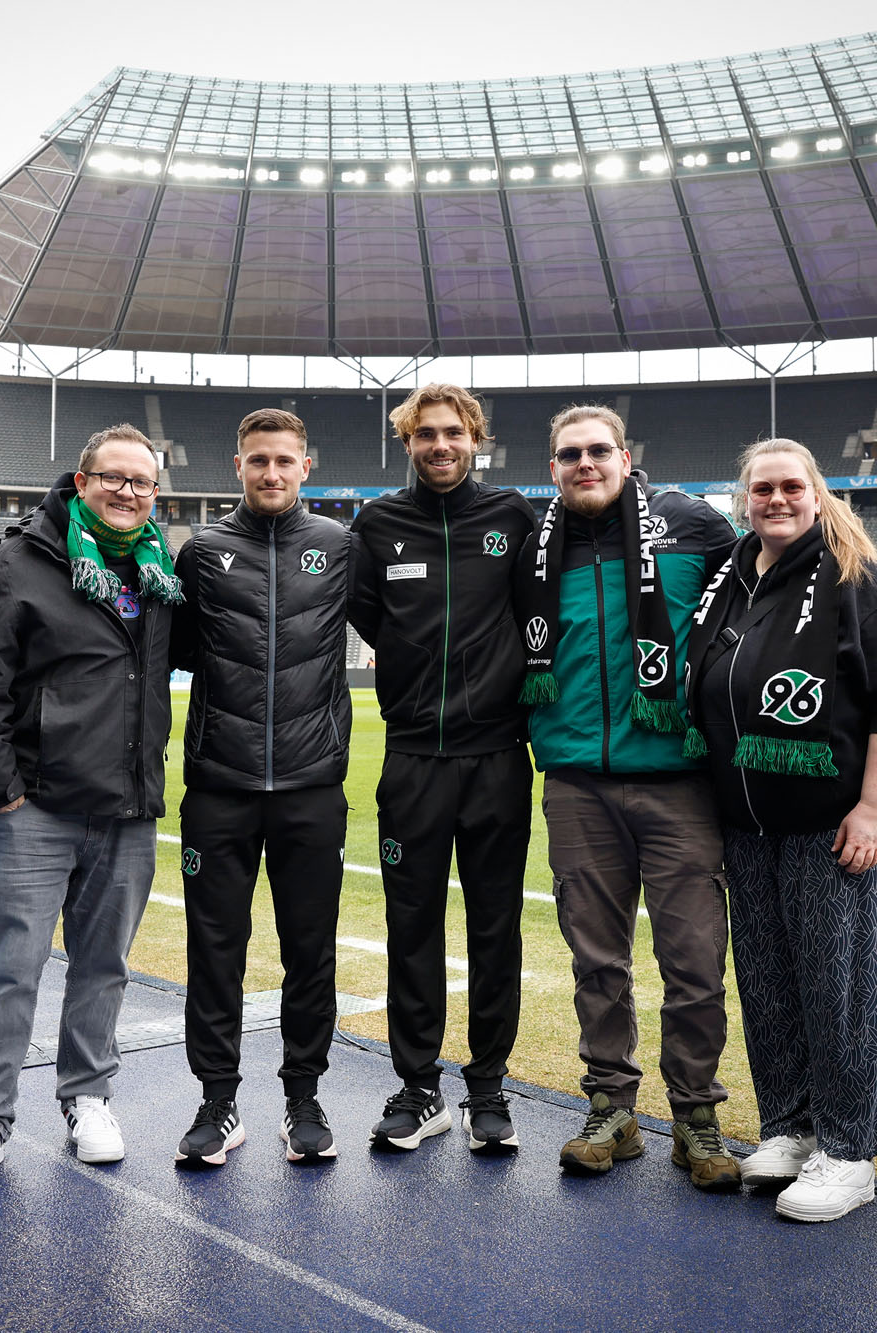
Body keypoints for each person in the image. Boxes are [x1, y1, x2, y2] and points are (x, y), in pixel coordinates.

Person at [685, 437, 877, 1223]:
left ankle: (850, 1150)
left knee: (842, 985)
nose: (776, 499)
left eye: (791, 486)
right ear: (742, 499)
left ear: (816, 495)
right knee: (770, 982)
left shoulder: (859, 581)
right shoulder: (731, 581)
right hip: (750, 827)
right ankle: (789, 1127)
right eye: (762, 489)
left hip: (832, 821)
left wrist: (873, 808)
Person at [0, 424, 181, 1190]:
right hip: (35, 808)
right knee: (10, 965)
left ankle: (87, 1097)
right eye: (114, 479)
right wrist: (4, 792)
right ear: (81, 483)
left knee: (103, 965)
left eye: (142, 484)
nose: (129, 493)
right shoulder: (17, 563)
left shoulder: (159, 571)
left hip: (128, 809)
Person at [514, 405, 741, 1189]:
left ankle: (695, 1117)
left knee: (694, 962)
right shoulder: (533, 544)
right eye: (569, 453)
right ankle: (611, 1108)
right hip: (576, 781)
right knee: (597, 961)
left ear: (626, 455)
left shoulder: (695, 526)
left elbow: (764, 597)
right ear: (553, 466)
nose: (585, 463)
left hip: (679, 779)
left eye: (598, 450)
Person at [347, 383, 537, 1154]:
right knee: (411, 928)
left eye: (453, 432)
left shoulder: (514, 516)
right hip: (413, 758)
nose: (440, 445)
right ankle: (419, 1087)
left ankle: (488, 1088)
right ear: (408, 442)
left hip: (497, 758)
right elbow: (365, 611)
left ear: (476, 438)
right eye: (425, 434)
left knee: (496, 929)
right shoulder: (379, 523)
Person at [169, 408, 351, 1168]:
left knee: (310, 950)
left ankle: (303, 1097)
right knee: (215, 949)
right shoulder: (203, 552)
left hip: (312, 786)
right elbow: (173, 651)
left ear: (306, 465)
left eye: (283, 459)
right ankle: (217, 1100)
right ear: (235, 466)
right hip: (221, 785)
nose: (270, 472)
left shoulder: (340, 546)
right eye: (256, 460)